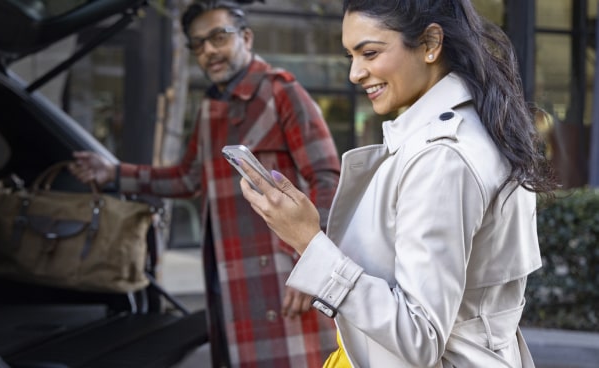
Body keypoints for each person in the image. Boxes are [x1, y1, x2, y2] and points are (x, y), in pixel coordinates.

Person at [237, 0, 556, 367]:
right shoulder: (477, 129)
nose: (355, 73)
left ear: (430, 43)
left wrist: (308, 242)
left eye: (369, 52)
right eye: (350, 57)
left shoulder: (442, 157)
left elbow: (418, 337)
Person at [68, 0, 341, 366]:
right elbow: (188, 177)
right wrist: (113, 173)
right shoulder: (210, 108)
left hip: (285, 279)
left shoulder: (281, 92)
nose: (208, 50)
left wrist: (311, 263)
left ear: (246, 37)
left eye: (218, 37)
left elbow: (328, 178)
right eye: (197, 44)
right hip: (227, 281)